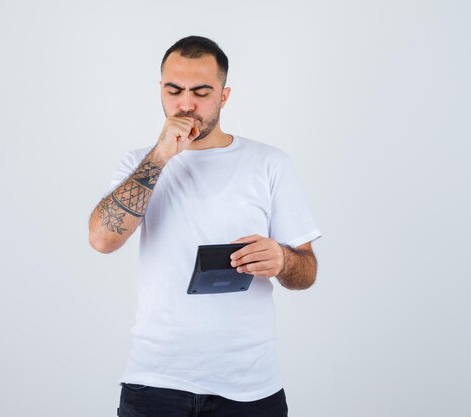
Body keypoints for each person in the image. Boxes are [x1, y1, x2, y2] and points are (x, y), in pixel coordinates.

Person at [88, 35, 321, 417]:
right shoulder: (139, 162)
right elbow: (101, 239)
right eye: (174, 90)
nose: (186, 104)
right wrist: (161, 155)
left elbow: (307, 271)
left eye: (201, 92)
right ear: (160, 90)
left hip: (250, 388)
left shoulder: (269, 163)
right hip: (154, 383)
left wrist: (281, 258)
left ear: (224, 96)